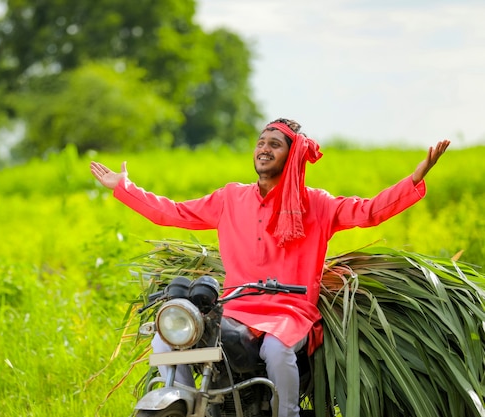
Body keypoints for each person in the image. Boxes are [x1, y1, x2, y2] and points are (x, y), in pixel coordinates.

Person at [90, 118, 450, 417]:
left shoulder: (318, 204)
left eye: (275, 144)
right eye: (261, 142)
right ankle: (184, 400)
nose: (264, 149)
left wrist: (414, 179)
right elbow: (175, 212)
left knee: (277, 351)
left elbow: (368, 211)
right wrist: (125, 188)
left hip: (290, 310)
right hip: (236, 305)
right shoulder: (231, 198)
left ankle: (286, 412)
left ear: (292, 157)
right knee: (172, 336)